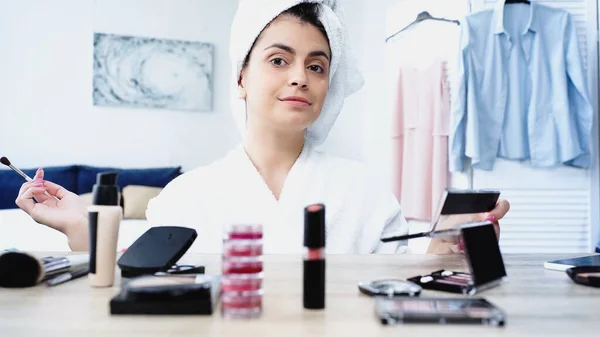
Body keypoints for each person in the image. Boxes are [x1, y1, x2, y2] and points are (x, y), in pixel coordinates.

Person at [15, 0, 509, 254]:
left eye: (317, 66)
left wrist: (443, 247)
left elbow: (400, 283)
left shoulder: (365, 191)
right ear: (241, 78)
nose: (300, 76)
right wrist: (80, 228)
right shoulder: (187, 195)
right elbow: (139, 285)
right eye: (279, 59)